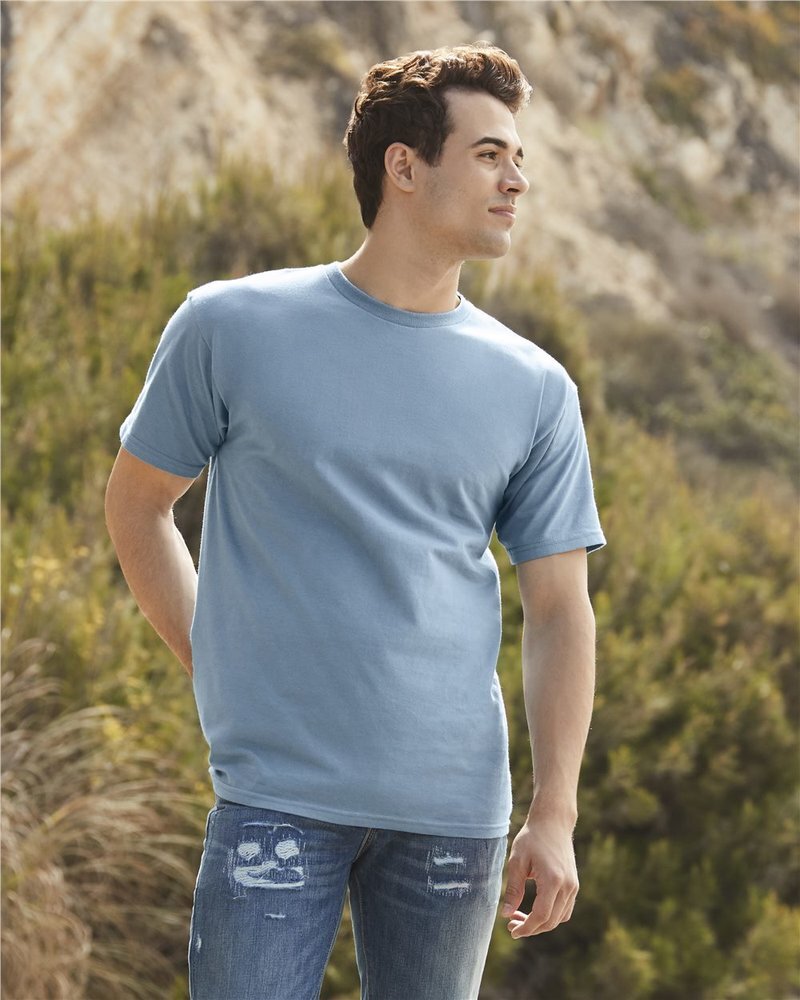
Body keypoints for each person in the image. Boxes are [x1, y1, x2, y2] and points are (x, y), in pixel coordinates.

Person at [105, 40, 606, 1000]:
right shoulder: (230, 326)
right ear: (404, 167)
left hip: (454, 819)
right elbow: (137, 506)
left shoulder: (536, 387)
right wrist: (217, 663)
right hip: (274, 799)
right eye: (489, 155)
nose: (517, 181)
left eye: (519, 158)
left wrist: (554, 813)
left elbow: (559, 609)